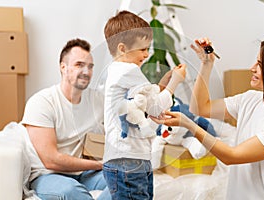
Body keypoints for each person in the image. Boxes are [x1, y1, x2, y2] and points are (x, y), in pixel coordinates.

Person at [150, 36, 264, 200]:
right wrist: (207, 64)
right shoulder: (250, 99)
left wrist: (189, 124)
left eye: (261, 65)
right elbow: (200, 108)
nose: (252, 68)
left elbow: (231, 156)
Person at [103, 10, 186, 199]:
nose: (147, 55)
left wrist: (164, 83)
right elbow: (155, 108)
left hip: (127, 160)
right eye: (142, 49)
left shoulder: (116, 70)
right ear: (123, 48)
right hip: (129, 162)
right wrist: (175, 82)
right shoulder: (129, 70)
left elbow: (146, 98)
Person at [21, 38, 111, 200]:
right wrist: (100, 164)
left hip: (85, 174)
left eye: (90, 66)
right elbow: (51, 160)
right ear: (63, 67)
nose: (86, 71)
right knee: (71, 191)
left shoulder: (97, 100)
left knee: (124, 183)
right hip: (48, 175)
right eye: (79, 65)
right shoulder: (42, 102)